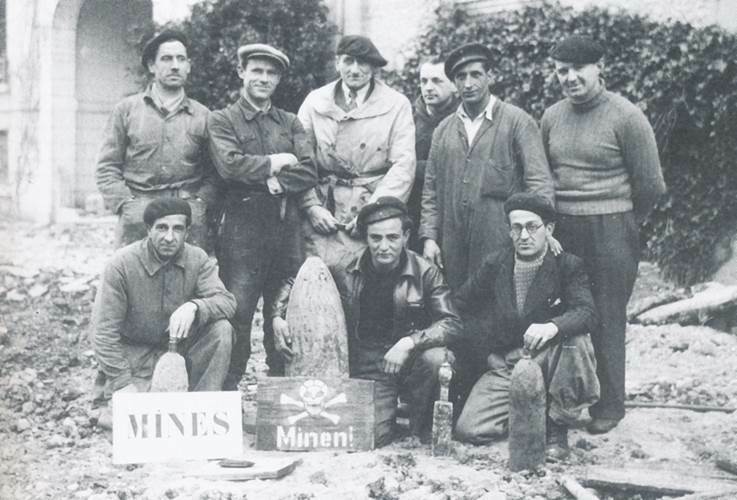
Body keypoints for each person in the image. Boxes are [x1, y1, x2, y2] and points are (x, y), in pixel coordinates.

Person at [541, 35, 666, 434]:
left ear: (599, 68)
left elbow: (651, 185)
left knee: (608, 315)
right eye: (562, 70)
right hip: (564, 229)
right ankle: (566, 400)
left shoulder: (627, 117)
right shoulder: (552, 116)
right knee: (566, 312)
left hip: (613, 227)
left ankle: (610, 406)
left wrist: (623, 222)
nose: (571, 77)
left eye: (579, 68)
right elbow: (545, 175)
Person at [270, 197, 462, 446]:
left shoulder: (425, 271)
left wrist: (409, 343)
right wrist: (277, 316)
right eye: (376, 238)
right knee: (369, 435)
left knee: (437, 359)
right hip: (370, 363)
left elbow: (451, 322)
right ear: (366, 238)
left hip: (410, 360)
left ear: (405, 236)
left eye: (392, 238)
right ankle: (388, 411)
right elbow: (296, 279)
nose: (384, 246)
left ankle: (419, 421)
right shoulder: (345, 266)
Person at [419, 42, 555, 380]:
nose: (468, 83)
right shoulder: (444, 130)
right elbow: (431, 191)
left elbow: (539, 184)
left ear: (490, 76)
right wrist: (429, 238)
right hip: (454, 245)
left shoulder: (517, 122)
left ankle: (496, 388)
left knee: (498, 313)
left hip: (499, 241)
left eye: (475, 74)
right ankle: (460, 388)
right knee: (457, 311)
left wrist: (537, 236)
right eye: (460, 76)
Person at [453, 193, 599, 460]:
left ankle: (557, 426)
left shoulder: (567, 265)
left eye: (532, 227)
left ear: (549, 229)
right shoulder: (496, 264)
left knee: (576, 341)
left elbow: (586, 312)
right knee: (469, 429)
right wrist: (487, 352)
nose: (524, 235)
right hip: (511, 363)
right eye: (516, 228)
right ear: (509, 231)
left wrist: (552, 327)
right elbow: (460, 307)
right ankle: (532, 414)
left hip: (551, 359)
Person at [207, 44, 317, 387]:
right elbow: (229, 166)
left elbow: (310, 170)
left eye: (271, 73)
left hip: (286, 231)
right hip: (242, 233)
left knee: (284, 311)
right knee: (237, 312)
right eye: (256, 70)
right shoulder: (222, 119)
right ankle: (226, 392)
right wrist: (276, 162)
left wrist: (272, 184)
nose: (263, 78)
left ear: (279, 79)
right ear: (241, 72)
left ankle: (281, 390)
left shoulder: (291, 122)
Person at [92, 198, 235, 403]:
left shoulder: (198, 259)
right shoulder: (121, 264)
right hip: (137, 359)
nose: (169, 237)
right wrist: (122, 383)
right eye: (161, 228)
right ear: (148, 229)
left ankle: (204, 403)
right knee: (134, 421)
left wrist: (195, 306)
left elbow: (227, 302)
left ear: (187, 232)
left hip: (182, 358)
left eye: (177, 229)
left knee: (222, 329)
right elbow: (103, 333)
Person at [298, 35, 416, 267]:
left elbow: (404, 165)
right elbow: (300, 159)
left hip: (370, 206)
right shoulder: (315, 101)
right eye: (348, 61)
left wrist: (374, 212)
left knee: (368, 280)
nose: (354, 69)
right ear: (337, 63)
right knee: (317, 280)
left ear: (373, 67)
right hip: (325, 210)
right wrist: (311, 206)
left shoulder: (396, 104)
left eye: (362, 63)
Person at [96, 30, 217, 249]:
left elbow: (215, 173)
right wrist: (125, 204)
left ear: (189, 66)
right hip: (138, 218)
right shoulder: (126, 110)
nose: (174, 66)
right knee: (133, 280)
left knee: (187, 281)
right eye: (166, 58)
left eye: (181, 59)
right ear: (152, 66)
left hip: (186, 218)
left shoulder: (203, 116)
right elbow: (107, 167)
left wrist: (200, 205)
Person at [408, 60, 459, 251]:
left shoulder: (464, 119)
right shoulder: (409, 119)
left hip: (450, 209)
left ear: (454, 85)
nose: (428, 88)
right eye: (424, 81)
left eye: (437, 81)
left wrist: (414, 166)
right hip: (413, 209)